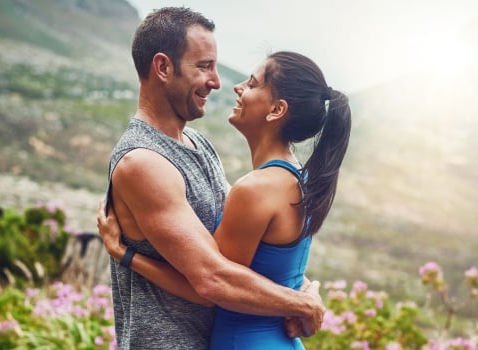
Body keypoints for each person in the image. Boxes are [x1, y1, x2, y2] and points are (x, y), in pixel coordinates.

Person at [101, 7, 326, 350]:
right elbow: (212, 279)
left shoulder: (199, 145)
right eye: (204, 66)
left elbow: (251, 253)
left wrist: (302, 290)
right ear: (163, 67)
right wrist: (300, 303)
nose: (217, 82)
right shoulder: (142, 162)